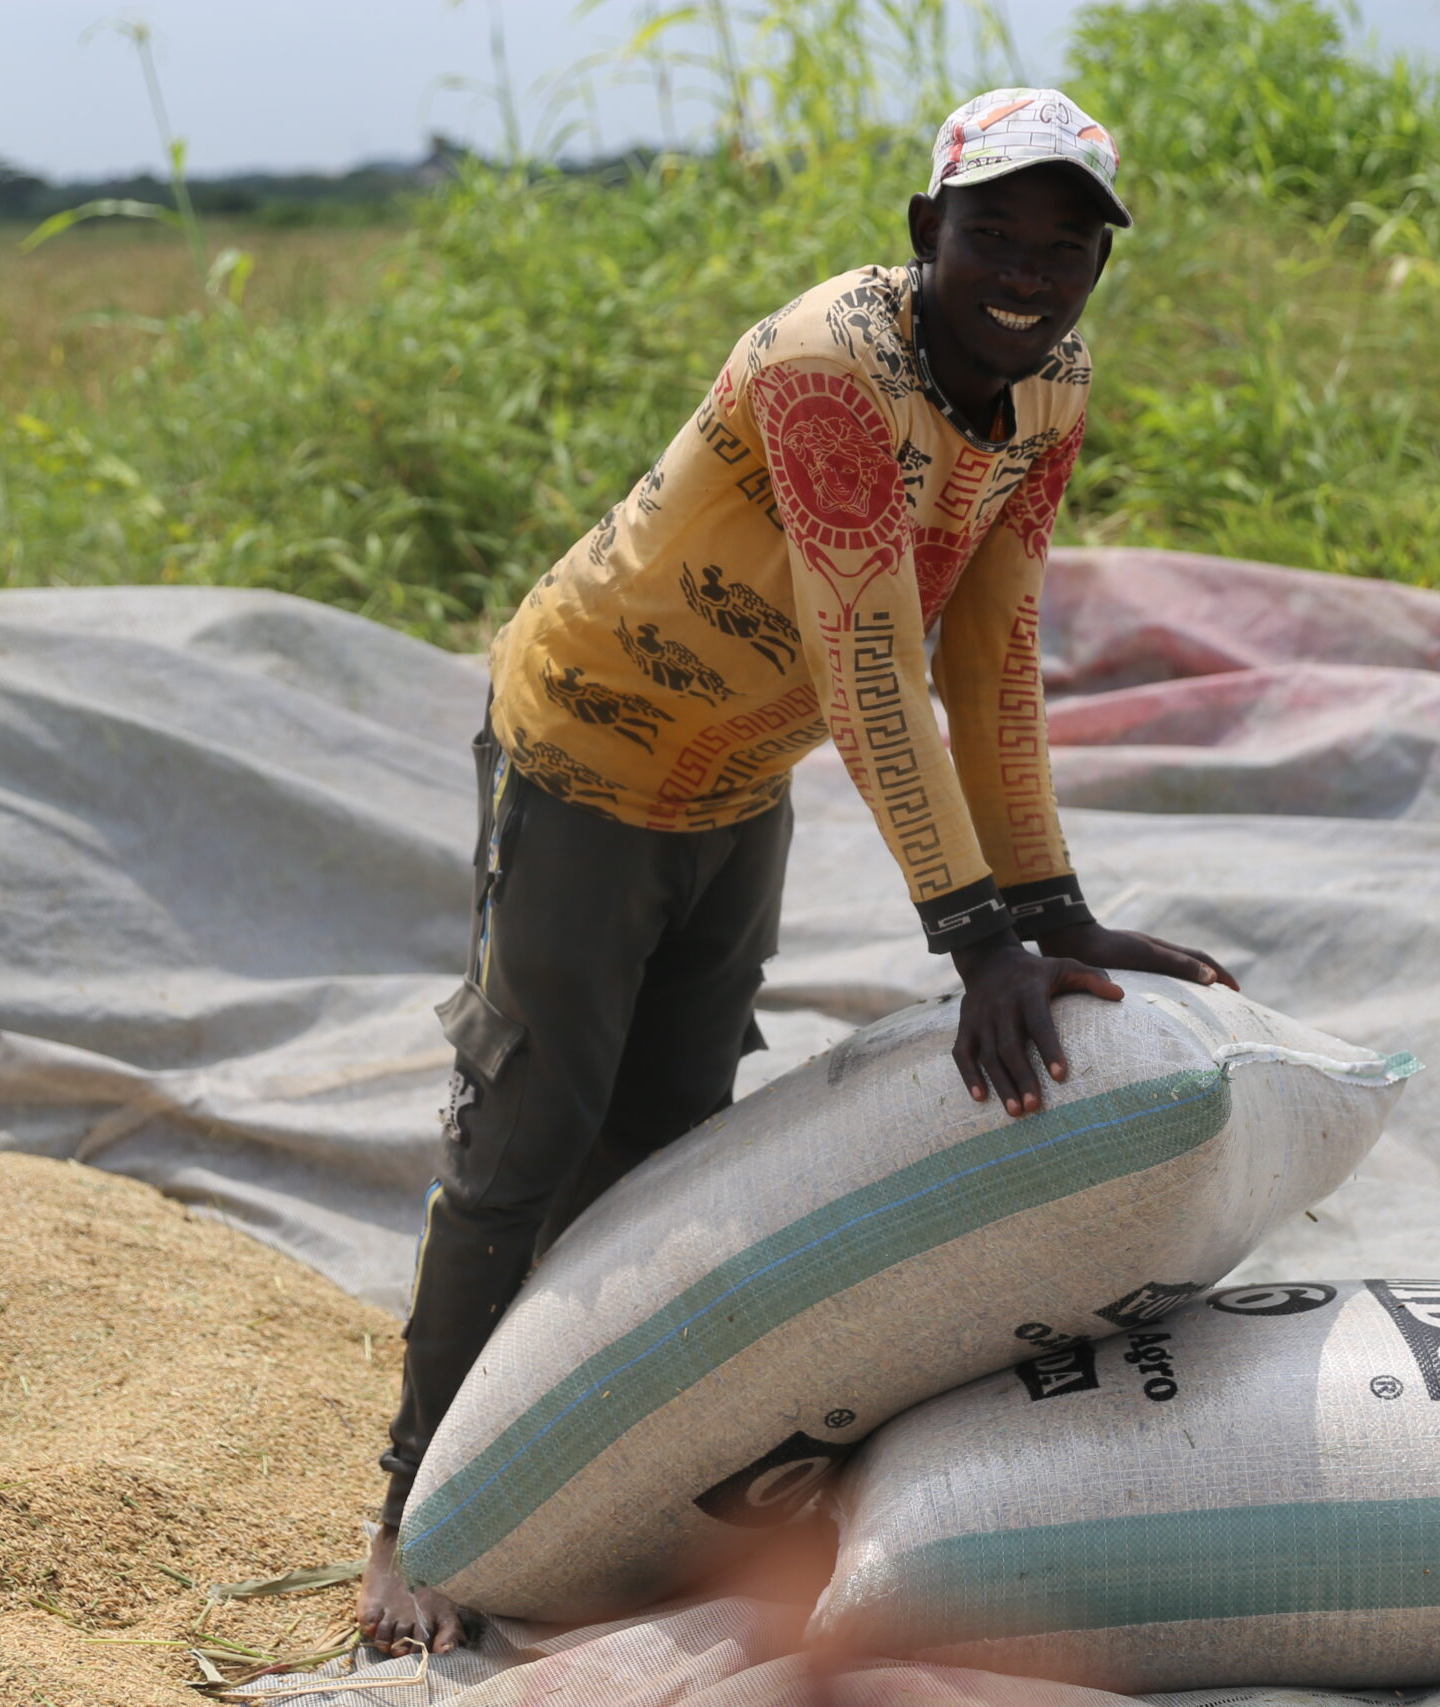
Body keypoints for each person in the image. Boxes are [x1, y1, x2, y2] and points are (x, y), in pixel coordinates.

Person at [357, 88, 1237, 1653]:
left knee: (677, 1140)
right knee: (530, 1126)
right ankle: (414, 1510)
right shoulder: (838, 366)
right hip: (589, 749)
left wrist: (1056, 912)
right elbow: (872, 667)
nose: (1027, 276)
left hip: (734, 780)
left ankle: (594, 1489)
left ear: (1100, 268)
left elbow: (994, 647)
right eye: (993, 236)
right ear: (925, 234)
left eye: (1065, 248)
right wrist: (977, 943)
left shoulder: (1053, 386)